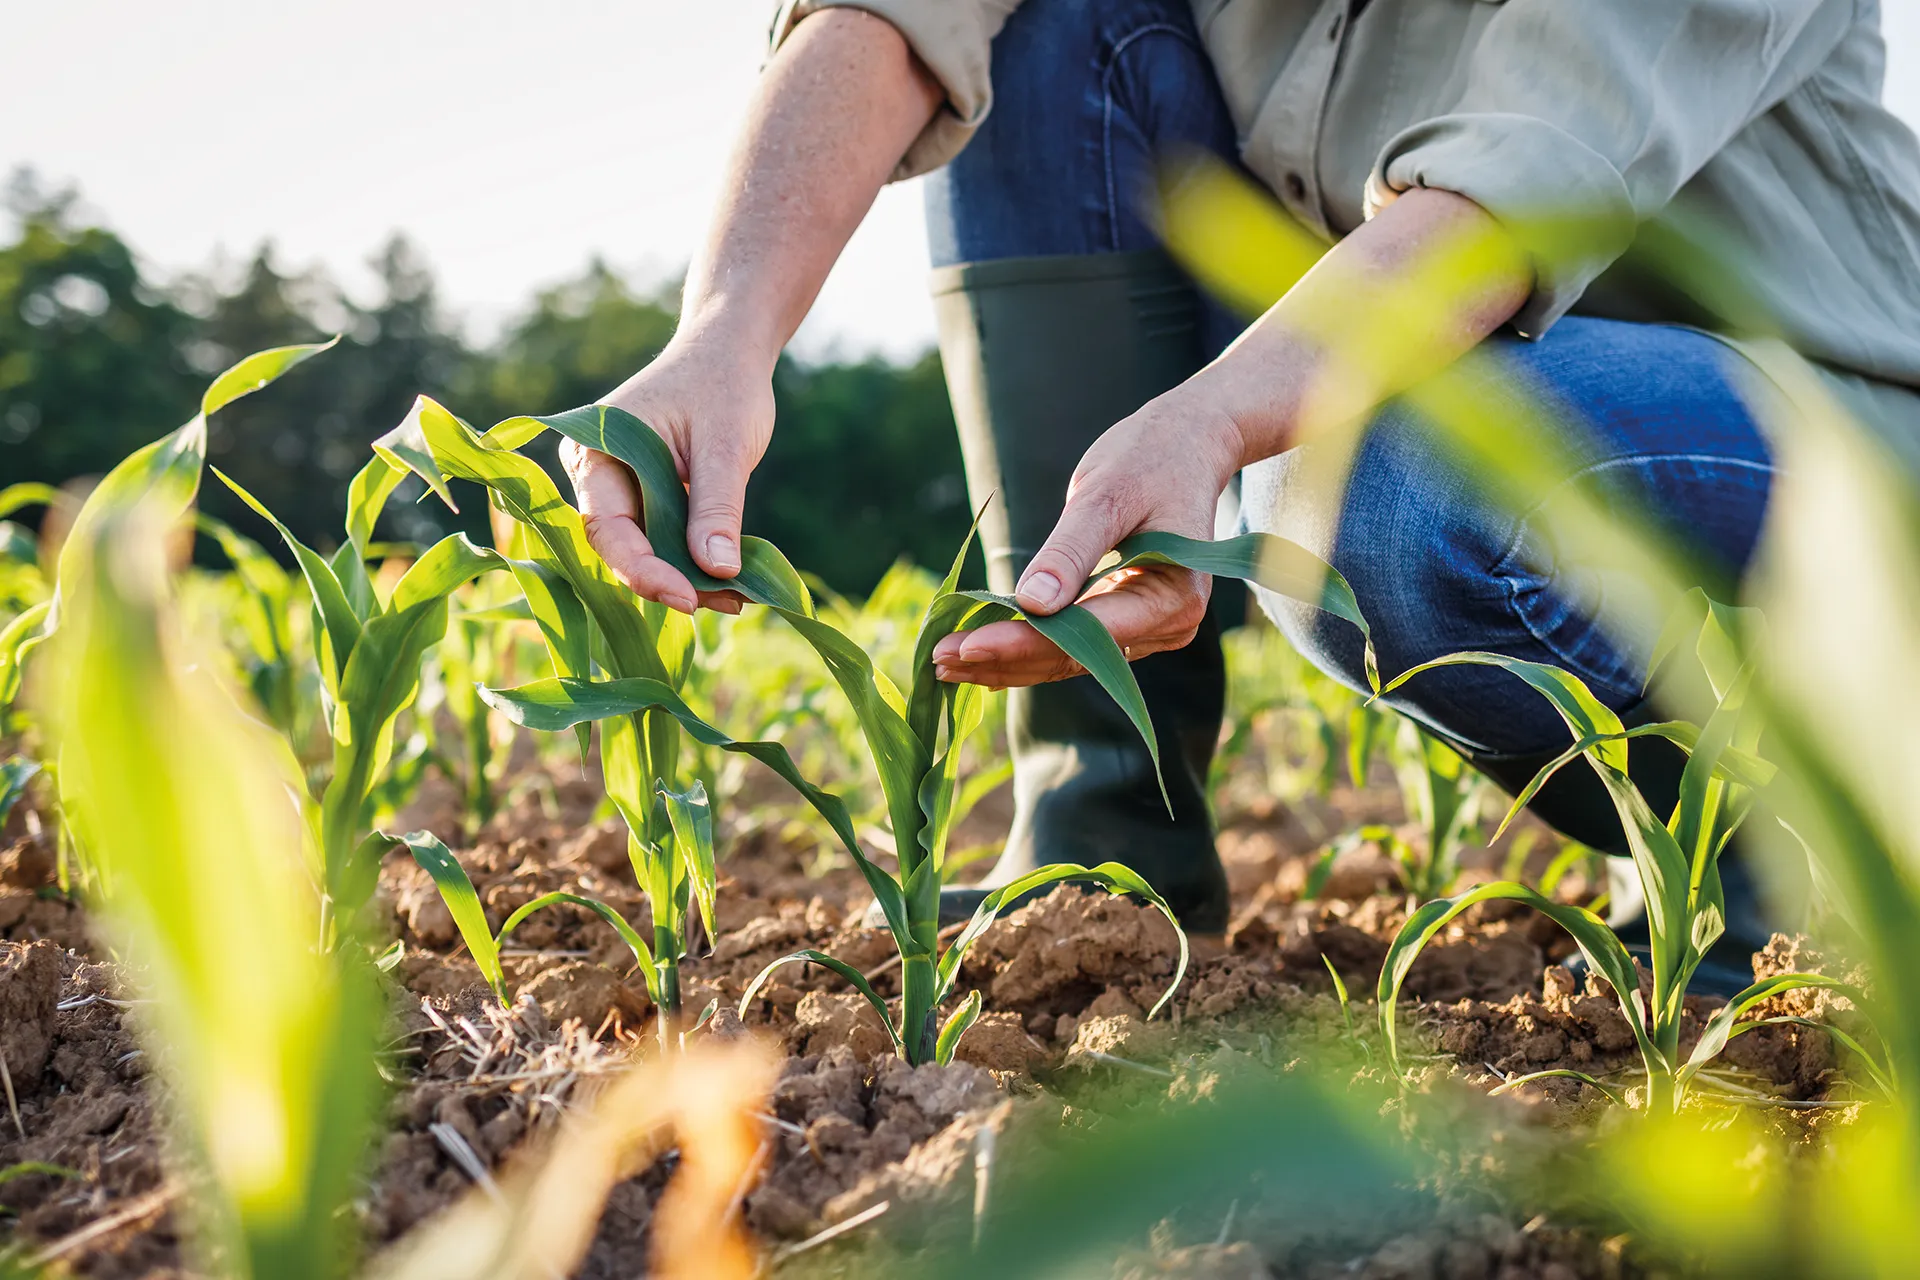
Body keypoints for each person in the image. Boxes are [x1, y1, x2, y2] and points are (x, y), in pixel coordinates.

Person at [563, 0, 1920, 978]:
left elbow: (1515, 186)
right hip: (1443, 369)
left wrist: (1219, 422)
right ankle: (1106, 852)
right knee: (1058, 28)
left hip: (1823, 433)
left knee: (1373, 482)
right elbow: (902, 17)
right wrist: (725, 331)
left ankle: (1813, 854)